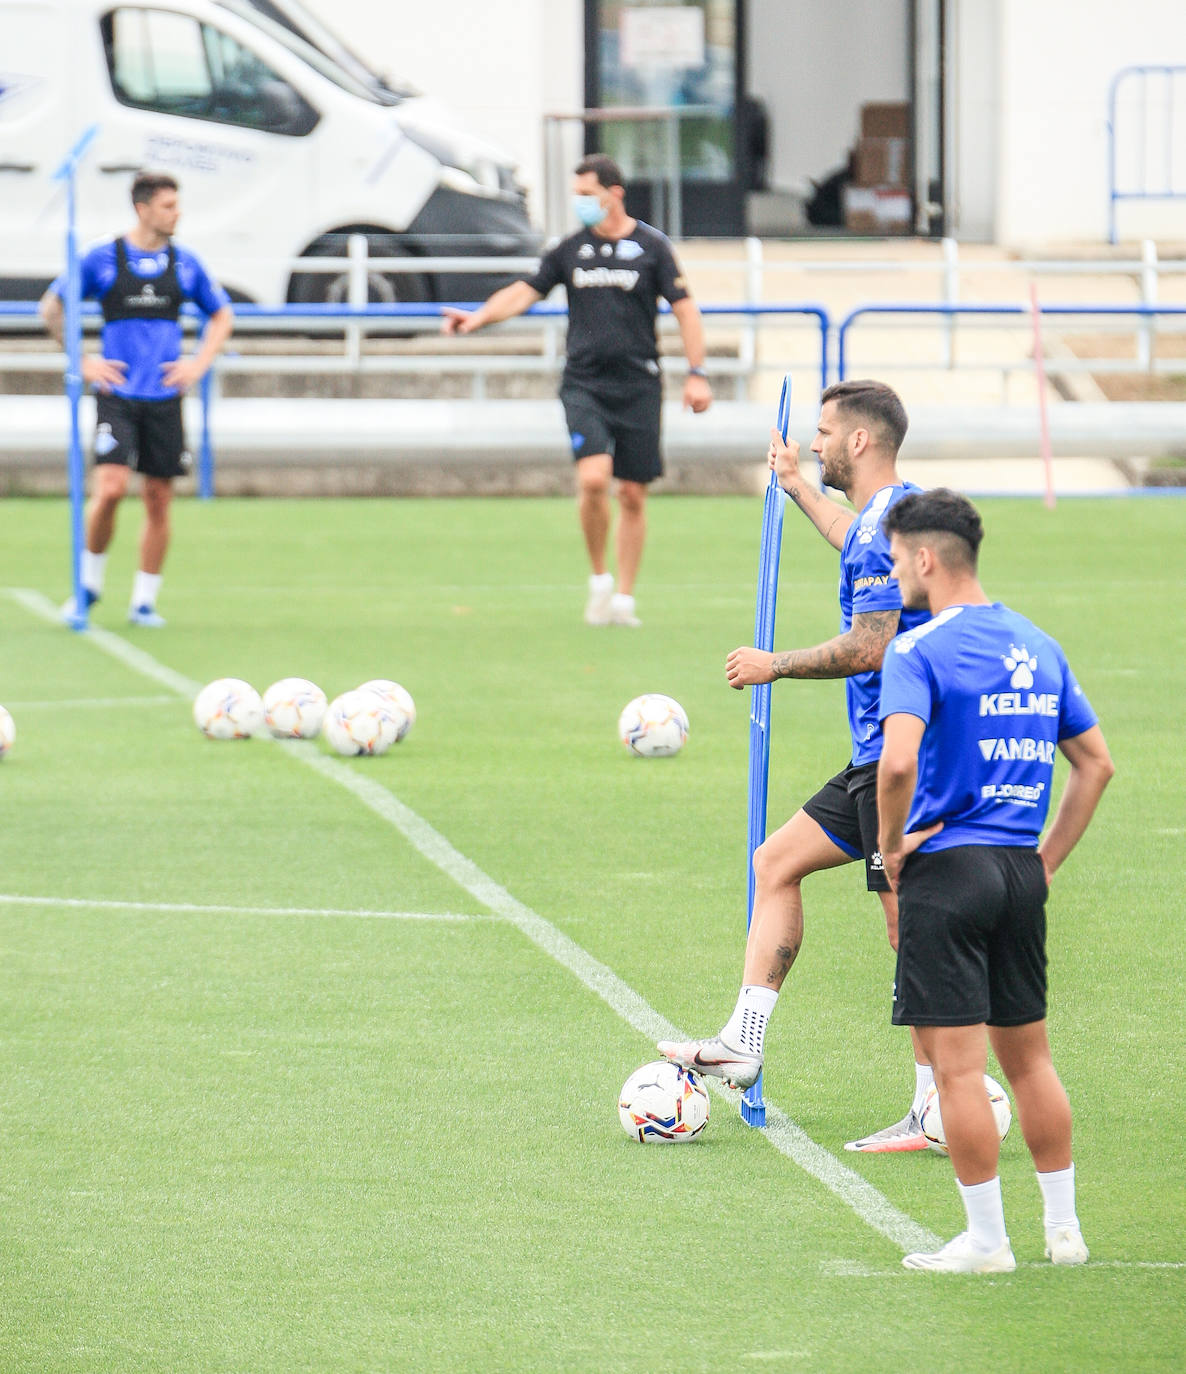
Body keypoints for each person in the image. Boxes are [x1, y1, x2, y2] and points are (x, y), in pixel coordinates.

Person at [659, 380, 939, 1152]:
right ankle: (743, 1043)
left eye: (822, 435)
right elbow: (853, 537)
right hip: (876, 757)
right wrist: (793, 489)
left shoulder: (891, 523)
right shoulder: (890, 513)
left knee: (905, 923)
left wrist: (773, 664)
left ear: (859, 442)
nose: (814, 445)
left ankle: (939, 1106)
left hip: (905, 758)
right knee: (776, 861)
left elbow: (872, 645)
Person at [877, 489, 1113, 1272]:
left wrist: (889, 849)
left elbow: (899, 761)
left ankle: (986, 1242)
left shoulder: (918, 649)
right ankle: (1065, 1230)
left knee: (958, 1069)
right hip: (1018, 871)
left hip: (948, 872)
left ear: (925, 558)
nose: (893, 573)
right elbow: (1096, 763)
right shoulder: (1039, 644)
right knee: (1031, 1061)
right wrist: (1043, 861)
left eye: (895, 559)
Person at [442, 153, 711, 628]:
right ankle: (598, 579)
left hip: (639, 384)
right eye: (577, 194)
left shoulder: (652, 247)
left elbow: (686, 310)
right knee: (592, 480)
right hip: (584, 383)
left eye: (587, 194)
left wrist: (697, 372)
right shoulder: (570, 250)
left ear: (615, 193)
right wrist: (477, 318)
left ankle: (624, 599)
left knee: (631, 493)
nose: (580, 203)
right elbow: (525, 291)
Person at [40, 171, 233, 627]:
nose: (176, 213)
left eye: (177, 205)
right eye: (168, 206)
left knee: (158, 497)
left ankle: (144, 600)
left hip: (164, 397)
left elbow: (222, 315)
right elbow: (52, 308)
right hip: (117, 394)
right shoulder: (102, 257)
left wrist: (197, 364)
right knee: (108, 489)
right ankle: (87, 586)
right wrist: (82, 360)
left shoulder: (185, 264)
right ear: (142, 209)